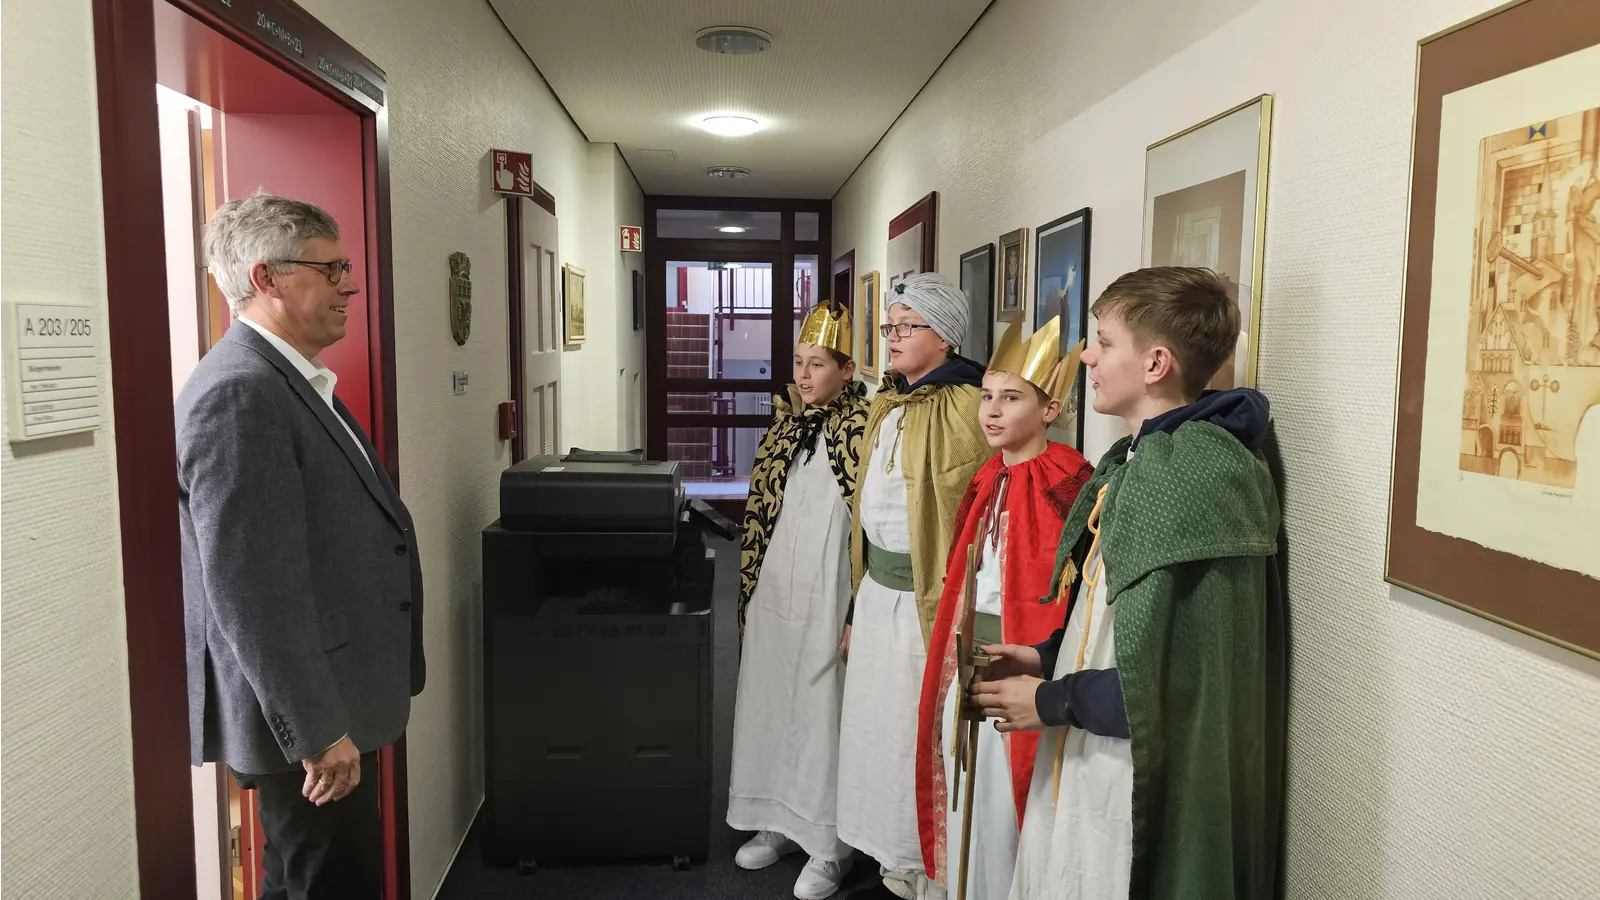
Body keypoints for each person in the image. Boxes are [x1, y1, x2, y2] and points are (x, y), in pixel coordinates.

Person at [972, 266, 1286, 900]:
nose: (1087, 354)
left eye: (1104, 341)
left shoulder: (1199, 474)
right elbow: (1118, 614)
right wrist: (1047, 654)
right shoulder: (1142, 460)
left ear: (1155, 364)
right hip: (1093, 736)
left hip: (1130, 764)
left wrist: (1053, 701)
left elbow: (1186, 672)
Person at [177, 192, 424, 900]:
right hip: (310, 723)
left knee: (313, 879)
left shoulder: (295, 378)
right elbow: (250, 588)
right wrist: (315, 730)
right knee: (327, 883)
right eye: (332, 268)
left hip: (332, 694)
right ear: (267, 278)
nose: (350, 284)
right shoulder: (240, 394)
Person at [914, 317, 1095, 900]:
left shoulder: (1070, 481)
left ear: (1051, 408)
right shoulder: (987, 475)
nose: (990, 411)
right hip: (976, 650)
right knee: (974, 784)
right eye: (987, 396)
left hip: (1030, 654)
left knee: (1016, 790)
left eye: (1011, 398)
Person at [836, 273, 991, 900]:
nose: (894, 337)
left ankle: (926, 863)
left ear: (945, 338)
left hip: (925, 605)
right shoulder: (890, 401)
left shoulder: (971, 408)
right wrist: (854, 603)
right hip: (878, 597)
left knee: (916, 729)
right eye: (890, 326)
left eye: (908, 326)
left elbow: (969, 512)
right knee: (876, 727)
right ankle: (889, 852)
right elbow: (868, 518)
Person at [729, 301, 871, 900]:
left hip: (829, 590)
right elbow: (762, 510)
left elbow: (875, 527)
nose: (805, 375)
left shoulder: (863, 428)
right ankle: (776, 819)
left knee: (821, 710)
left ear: (847, 367)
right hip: (776, 592)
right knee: (769, 698)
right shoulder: (786, 426)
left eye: (818, 364)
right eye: (799, 362)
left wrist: (856, 609)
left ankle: (828, 843)